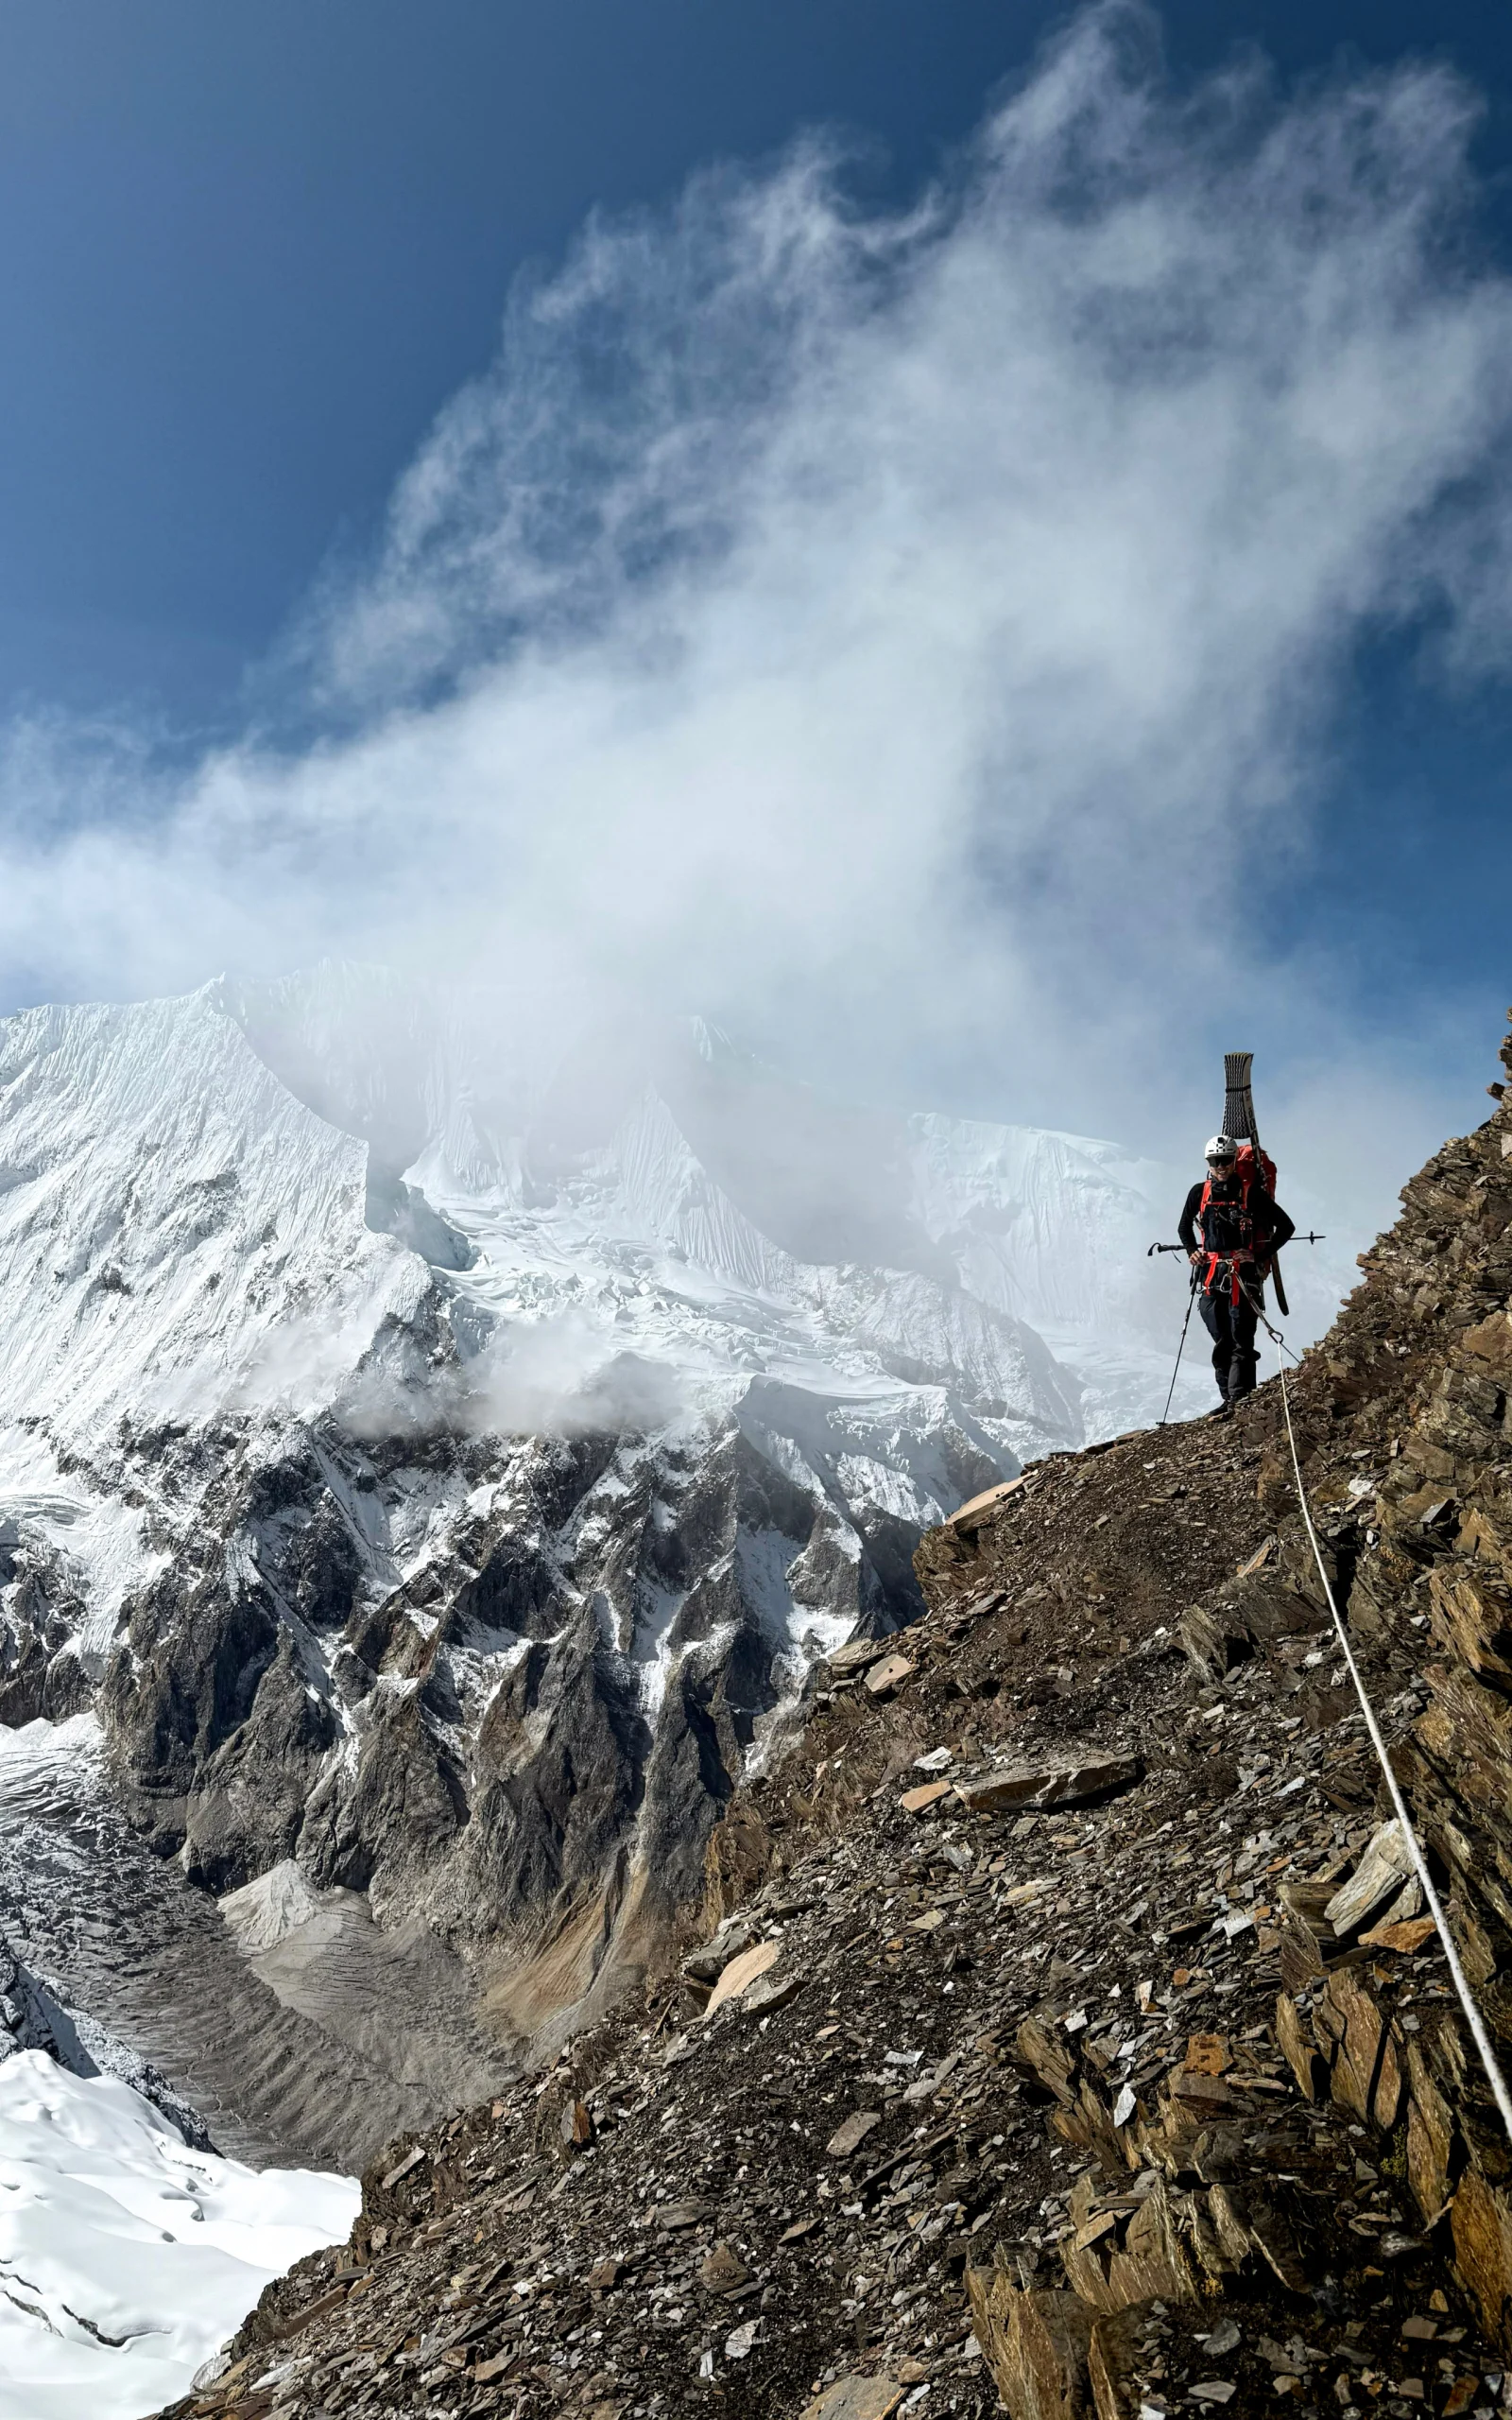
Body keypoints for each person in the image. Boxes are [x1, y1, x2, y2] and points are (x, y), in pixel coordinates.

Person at [1177, 1135, 1296, 1412]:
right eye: (1215, 1161)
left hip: (1242, 1276)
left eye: (1226, 1161)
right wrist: (1192, 1250)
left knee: (1241, 1338)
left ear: (1233, 1162)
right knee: (1223, 1339)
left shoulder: (1250, 1192)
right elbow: (1184, 1227)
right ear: (1208, 1163)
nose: (1220, 1166)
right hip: (1212, 1276)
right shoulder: (1199, 1192)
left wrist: (1258, 1255)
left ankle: (1239, 1399)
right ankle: (1231, 1398)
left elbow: (1286, 1226)